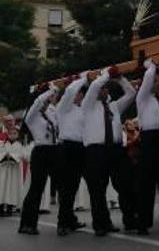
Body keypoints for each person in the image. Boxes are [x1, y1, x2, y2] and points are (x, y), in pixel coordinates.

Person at [81, 69, 138, 236]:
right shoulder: (88, 105)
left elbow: (131, 93)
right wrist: (105, 74)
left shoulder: (114, 106)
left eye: (105, 88)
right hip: (96, 151)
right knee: (97, 189)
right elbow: (93, 88)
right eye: (100, 88)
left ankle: (130, 220)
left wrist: (120, 78)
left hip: (116, 149)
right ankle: (101, 224)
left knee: (126, 184)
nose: (103, 90)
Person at [134, 60, 159, 235]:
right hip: (150, 139)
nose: (157, 83)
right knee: (147, 183)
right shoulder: (142, 98)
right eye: (155, 80)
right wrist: (150, 66)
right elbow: (148, 79)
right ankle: (143, 222)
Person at [18, 83, 59, 235]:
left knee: (65, 184)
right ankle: (27, 224)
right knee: (36, 189)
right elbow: (37, 102)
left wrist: (53, 95)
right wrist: (49, 90)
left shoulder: (50, 111)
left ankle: (66, 220)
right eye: (47, 97)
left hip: (55, 151)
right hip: (41, 152)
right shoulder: (31, 115)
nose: (50, 99)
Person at [55, 73, 89, 236]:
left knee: (73, 186)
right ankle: (62, 223)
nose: (79, 95)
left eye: (81, 93)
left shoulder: (82, 110)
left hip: (80, 149)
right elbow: (69, 92)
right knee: (66, 188)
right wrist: (81, 79)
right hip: (66, 148)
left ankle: (69, 219)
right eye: (78, 92)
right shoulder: (63, 107)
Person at [0, 123, 26, 217]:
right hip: (4, 170)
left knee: (12, 189)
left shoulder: (19, 145)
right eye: (10, 133)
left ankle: (10, 209)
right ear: (8, 134)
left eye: (15, 133)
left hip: (14, 171)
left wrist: (11, 156)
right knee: (2, 188)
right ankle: (1, 208)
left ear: (18, 135)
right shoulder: (3, 144)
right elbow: (1, 153)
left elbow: (20, 156)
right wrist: (4, 156)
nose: (12, 135)